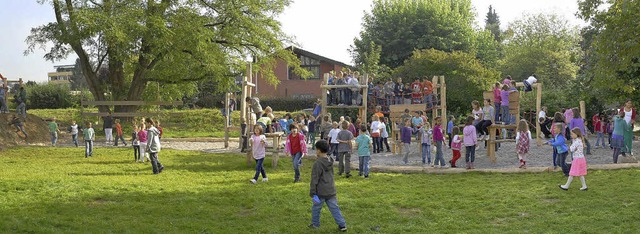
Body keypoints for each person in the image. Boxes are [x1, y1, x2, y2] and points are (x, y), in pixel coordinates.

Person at [308, 140, 347, 231]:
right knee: (334, 208)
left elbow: (315, 179)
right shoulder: (330, 160)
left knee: (316, 208)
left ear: (318, 150)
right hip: (331, 189)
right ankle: (342, 225)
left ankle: (315, 224)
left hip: (320, 192)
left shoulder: (317, 163)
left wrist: (313, 192)